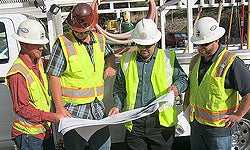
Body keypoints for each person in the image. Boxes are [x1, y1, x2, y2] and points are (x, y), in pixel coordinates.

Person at [108, 18, 188, 150]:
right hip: (135, 123)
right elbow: (120, 88)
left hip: (161, 124)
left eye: (147, 45)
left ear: (155, 42)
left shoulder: (168, 58)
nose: (143, 49)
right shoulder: (126, 60)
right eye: (139, 45)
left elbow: (183, 79)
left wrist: (176, 87)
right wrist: (117, 105)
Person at [46, 3, 116, 150]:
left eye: (83, 31)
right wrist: (59, 108)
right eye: (75, 31)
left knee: (104, 147)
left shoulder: (100, 40)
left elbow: (110, 55)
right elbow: (53, 76)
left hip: (97, 109)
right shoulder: (63, 44)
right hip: (73, 112)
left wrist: (110, 66)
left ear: (91, 27)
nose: (79, 34)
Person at [183, 17, 250, 150]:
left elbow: (248, 91)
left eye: (205, 44)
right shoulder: (195, 60)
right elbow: (192, 86)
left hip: (219, 131)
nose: (201, 48)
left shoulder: (231, 62)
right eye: (198, 44)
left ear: (216, 40)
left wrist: (238, 115)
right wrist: (186, 106)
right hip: (197, 127)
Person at [5, 19, 63, 150]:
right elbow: (22, 108)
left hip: (43, 132)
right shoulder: (18, 73)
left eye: (41, 43)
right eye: (36, 44)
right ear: (23, 44)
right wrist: (52, 117)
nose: (41, 47)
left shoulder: (40, 63)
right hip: (28, 136)